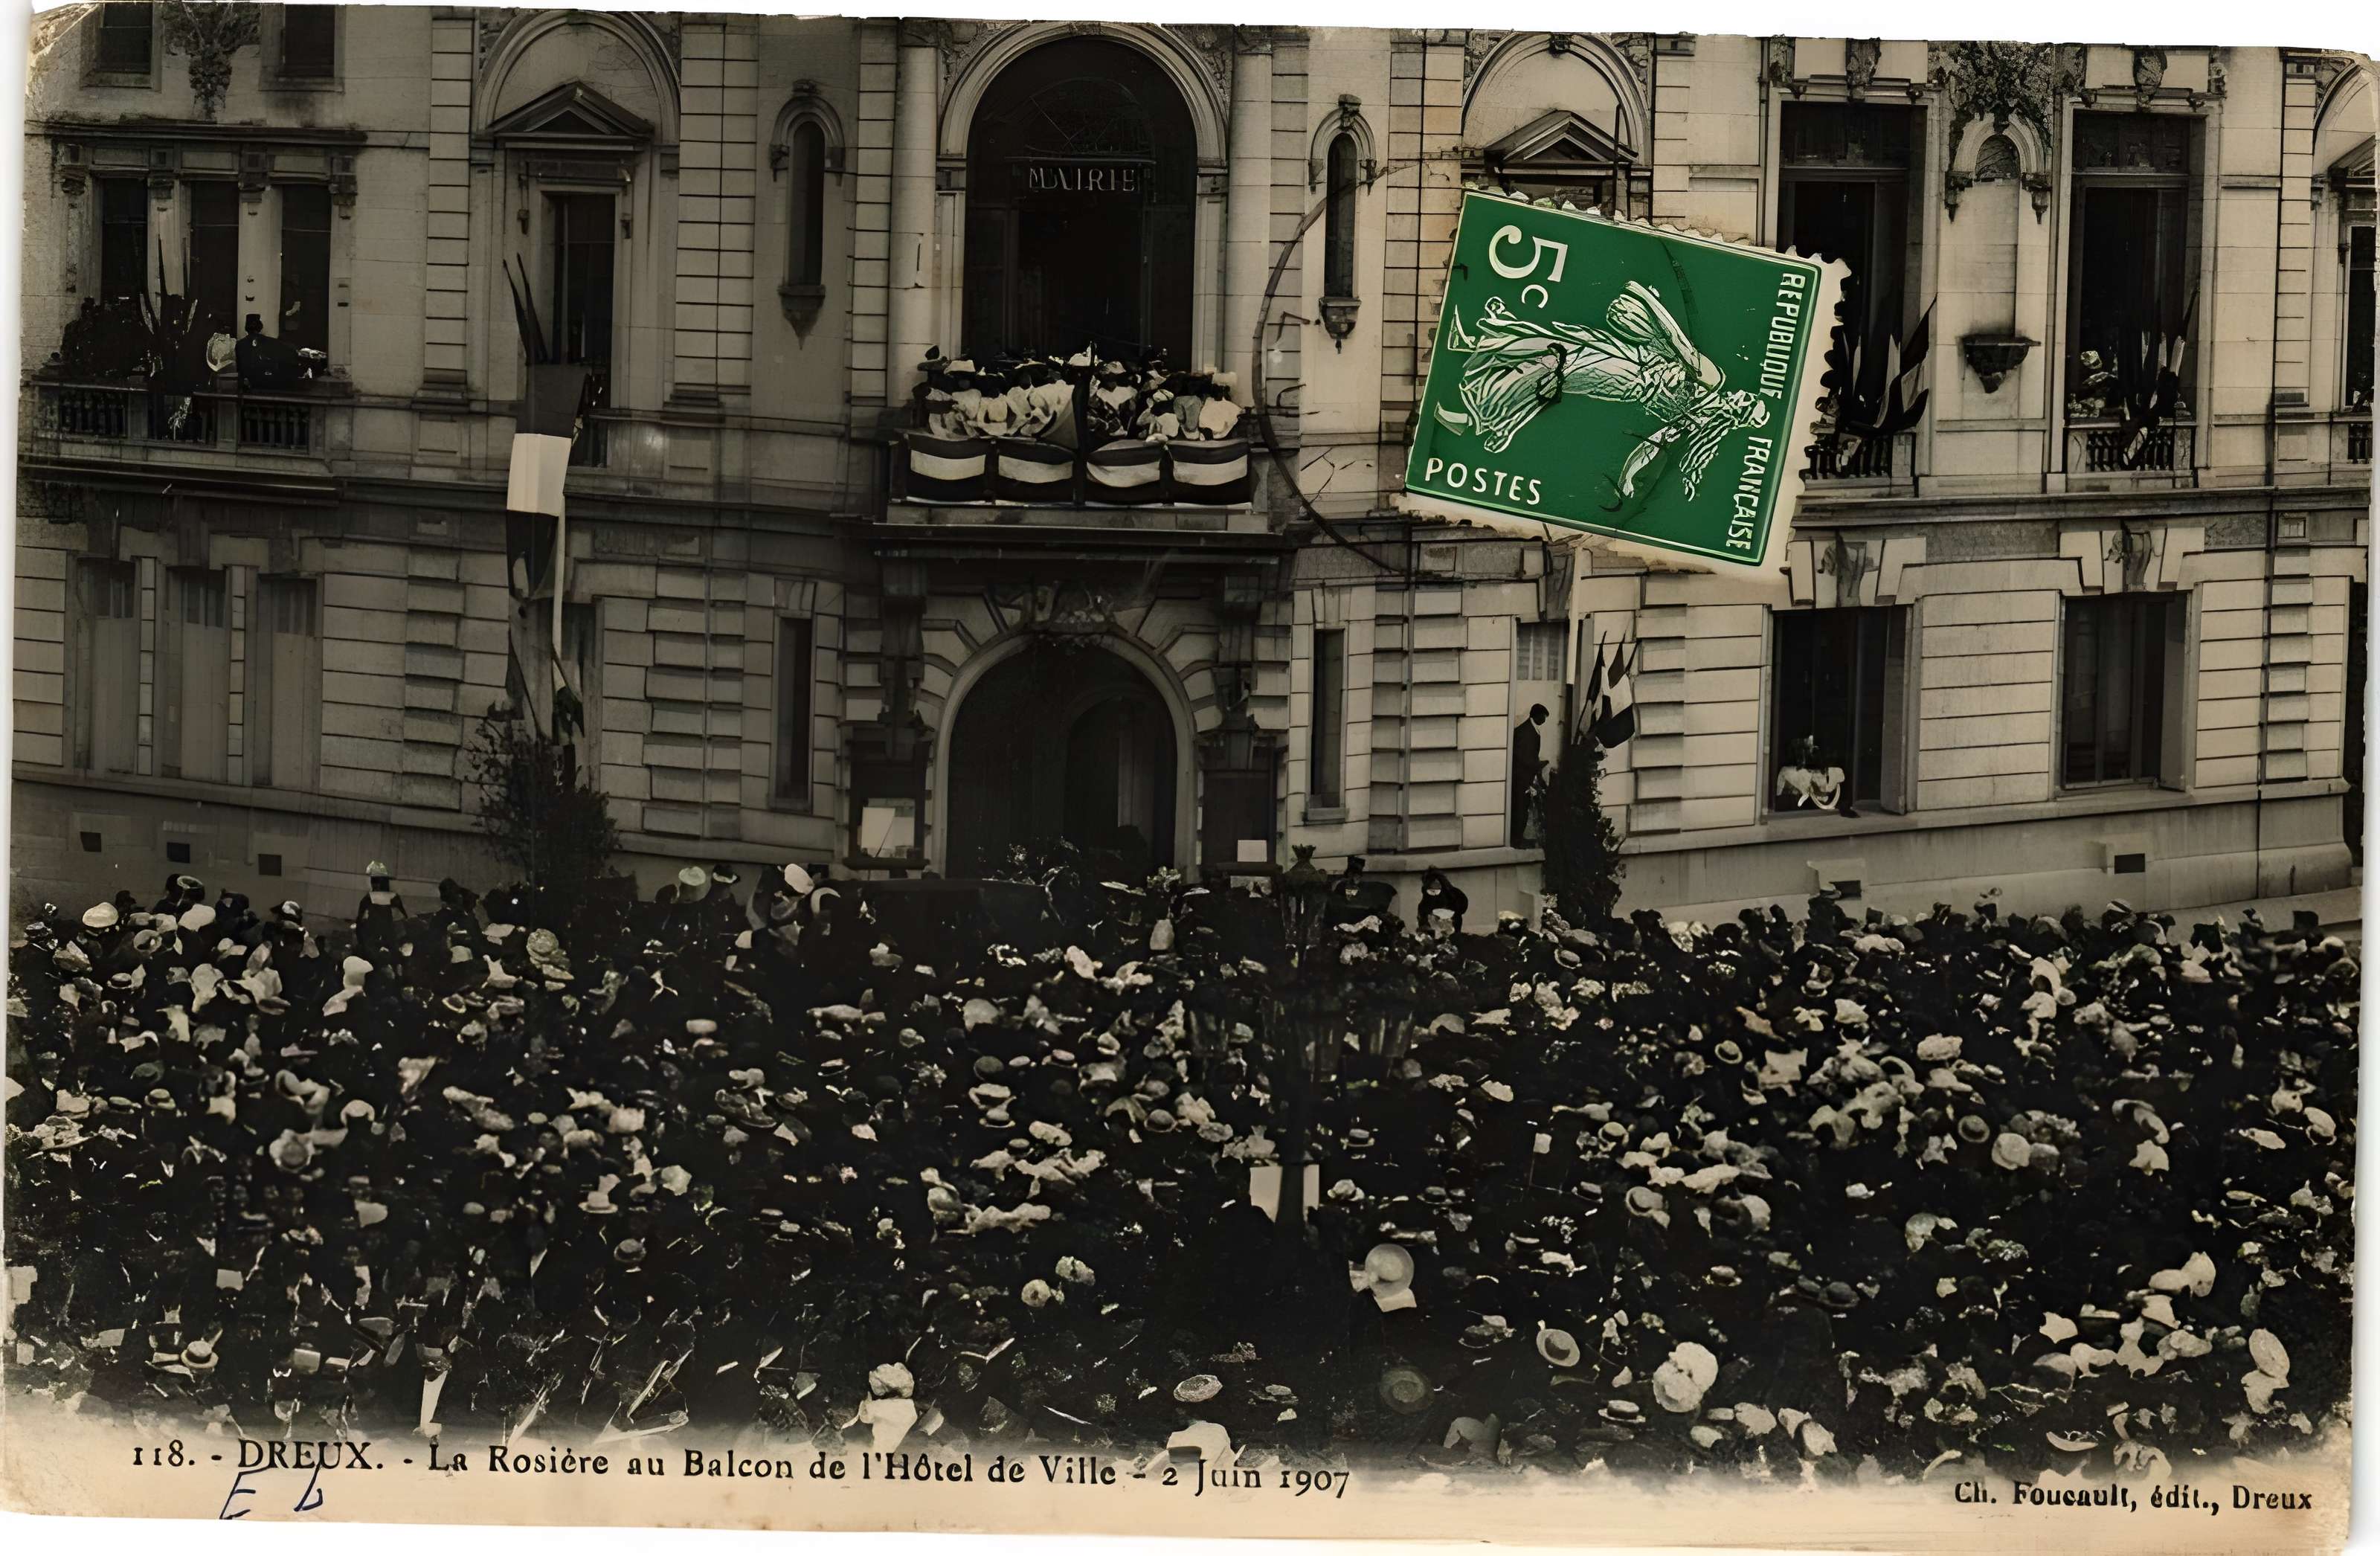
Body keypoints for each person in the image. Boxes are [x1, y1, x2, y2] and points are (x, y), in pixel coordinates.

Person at [1510, 703, 1549, 848]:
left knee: (1522, 808)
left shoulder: (1530, 729)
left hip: (1524, 776)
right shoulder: (1525, 732)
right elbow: (1522, 757)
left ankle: (1519, 838)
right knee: (1520, 809)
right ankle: (1517, 840)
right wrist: (1538, 765)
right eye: (1543, 717)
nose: (1544, 720)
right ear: (1536, 716)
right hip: (1521, 778)